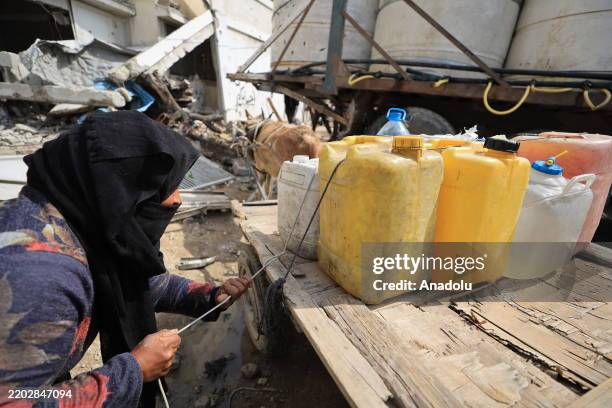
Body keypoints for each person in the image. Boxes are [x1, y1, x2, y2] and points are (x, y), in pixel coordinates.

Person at [0, 111, 251, 407]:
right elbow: (17, 399)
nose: (177, 199)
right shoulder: (42, 277)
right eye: (164, 185)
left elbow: (140, 281)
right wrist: (132, 371)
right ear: (117, 192)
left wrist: (208, 296)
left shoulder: (79, 222)